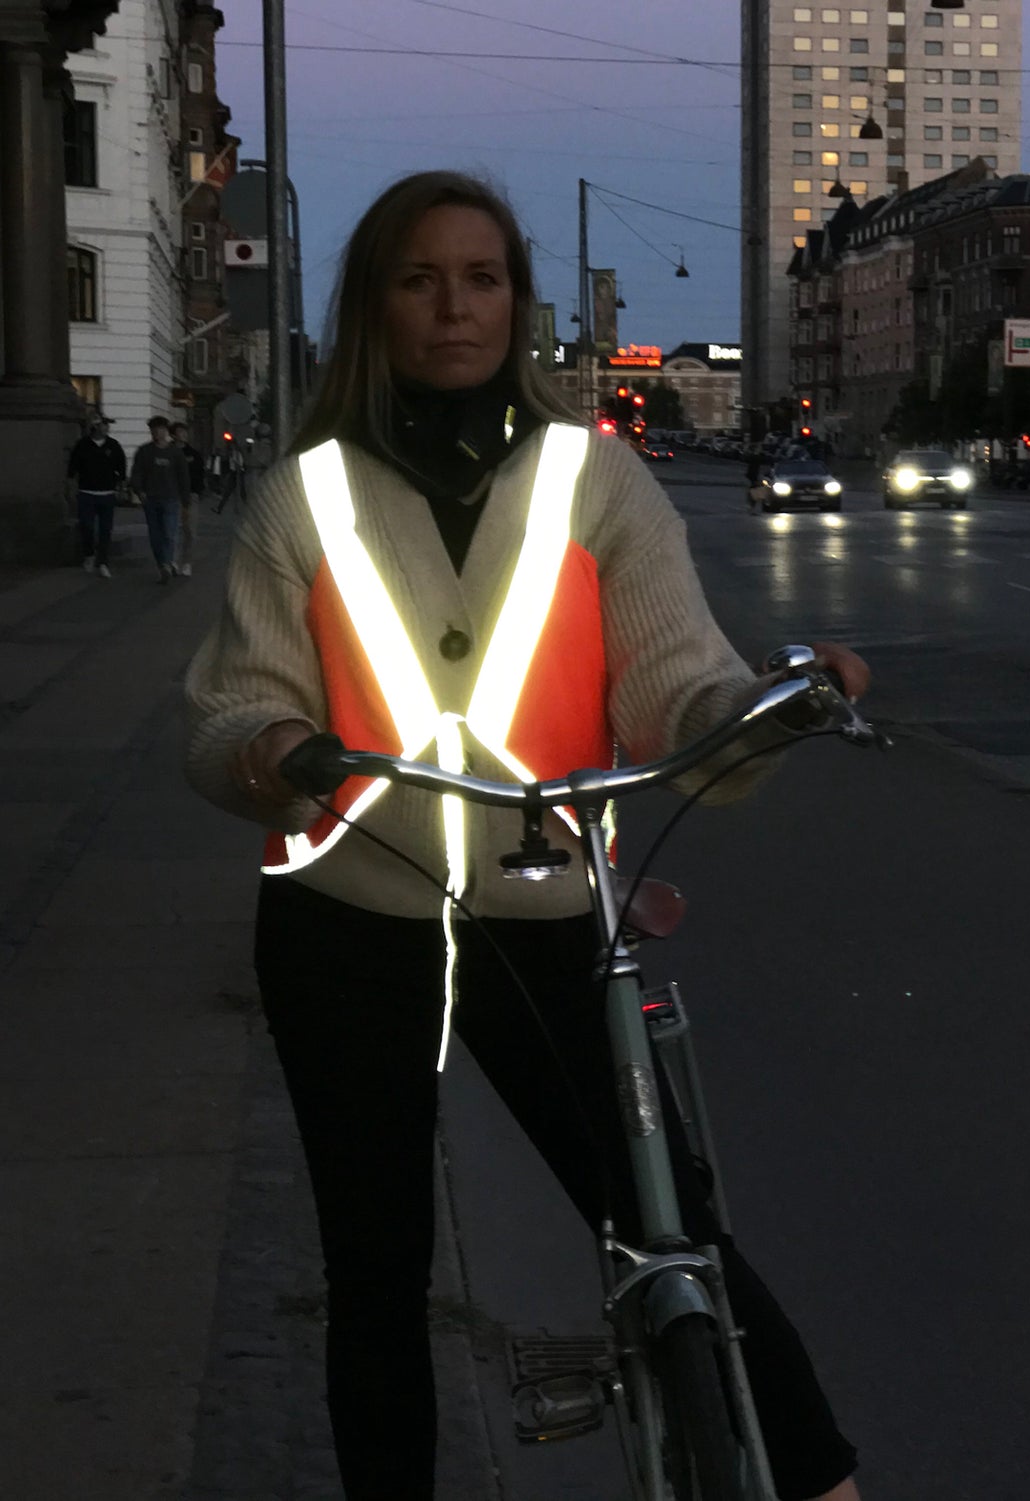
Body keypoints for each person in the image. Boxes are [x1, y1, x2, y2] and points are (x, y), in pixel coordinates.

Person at [184, 170, 870, 1501]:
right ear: (375, 304)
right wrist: (268, 748)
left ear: (518, 298)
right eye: (420, 278)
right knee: (373, 1274)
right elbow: (231, 705)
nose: (455, 306)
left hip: (548, 916)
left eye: (482, 278)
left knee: (674, 1228)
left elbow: (677, 686)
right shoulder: (303, 499)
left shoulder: (595, 480)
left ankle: (825, 1486)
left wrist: (760, 713)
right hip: (348, 925)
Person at [129, 415, 191, 581]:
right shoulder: (145, 452)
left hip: (171, 499)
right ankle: (162, 564)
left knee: (169, 533)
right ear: (151, 431)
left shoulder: (175, 453)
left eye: (161, 429)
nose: (158, 433)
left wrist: (186, 501)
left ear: (166, 432)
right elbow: (137, 474)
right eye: (155, 430)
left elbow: (183, 477)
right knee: (155, 535)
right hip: (151, 499)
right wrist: (139, 490)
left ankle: (167, 563)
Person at [66, 411, 127, 577]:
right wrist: (71, 486)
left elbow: (121, 469)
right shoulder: (83, 445)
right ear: (95, 426)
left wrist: (121, 487)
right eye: (103, 425)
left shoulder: (113, 446)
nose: (106, 428)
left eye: (107, 425)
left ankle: (103, 562)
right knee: (87, 526)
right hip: (87, 492)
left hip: (107, 493)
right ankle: (89, 554)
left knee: (105, 530)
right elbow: (72, 468)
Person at [170, 421, 205, 576]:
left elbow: (199, 473)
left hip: (191, 495)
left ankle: (187, 562)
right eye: (180, 432)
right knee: (174, 529)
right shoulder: (168, 451)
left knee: (190, 530)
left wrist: (197, 491)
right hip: (172, 495)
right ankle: (173, 561)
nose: (184, 435)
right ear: (173, 434)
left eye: (185, 432)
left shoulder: (193, 454)